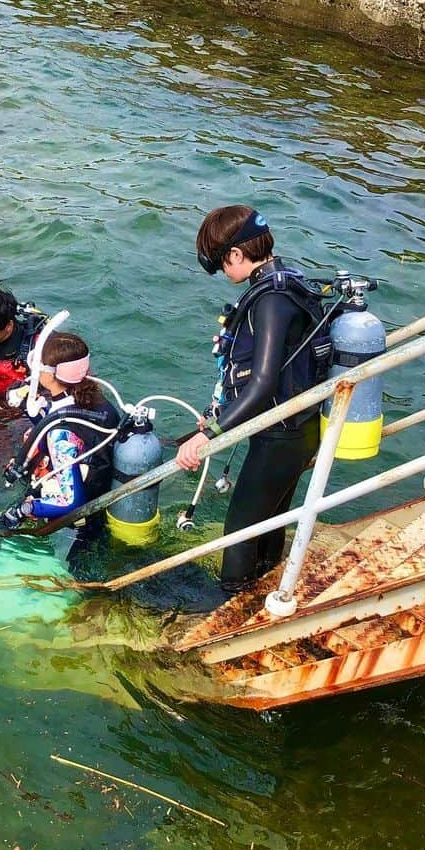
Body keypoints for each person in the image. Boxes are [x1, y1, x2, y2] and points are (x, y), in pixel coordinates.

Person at [176, 206, 328, 594]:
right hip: (296, 429)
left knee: (239, 530)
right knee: (271, 518)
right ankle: (262, 587)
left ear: (236, 255)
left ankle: (229, 601)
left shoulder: (270, 300)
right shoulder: (286, 282)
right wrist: (221, 413)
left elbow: (261, 385)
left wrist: (210, 432)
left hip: (281, 436)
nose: (224, 274)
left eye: (221, 264)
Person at [0, 332, 121, 532]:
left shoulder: (62, 433)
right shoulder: (94, 399)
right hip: (98, 479)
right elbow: (64, 420)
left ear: (51, 374)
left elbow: (71, 502)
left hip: (76, 525)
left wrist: (24, 510)